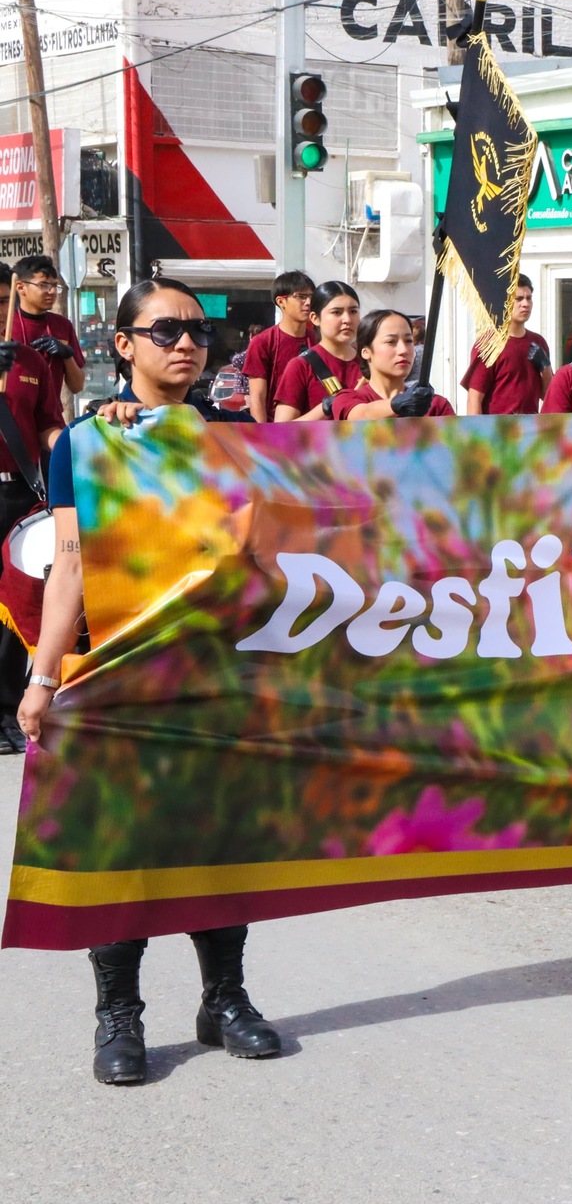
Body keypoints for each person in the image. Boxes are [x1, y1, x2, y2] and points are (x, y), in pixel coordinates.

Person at [19, 277, 280, 1085]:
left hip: (220, 667)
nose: (185, 344)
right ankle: (118, 1017)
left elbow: (313, 515)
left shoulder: (236, 434)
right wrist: (42, 677)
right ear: (122, 344)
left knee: (219, 841)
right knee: (122, 846)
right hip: (121, 670)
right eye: (164, 330)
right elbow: (68, 567)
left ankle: (225, 1001)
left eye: (199, 331)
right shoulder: (87, 446)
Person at [0, 304, 68, 755]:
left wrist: (81, 445)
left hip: (17, 492)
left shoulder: (27, 361)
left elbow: (48, 423)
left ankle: (7, 710)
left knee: (12, 605)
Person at [334, 309, 455, 420]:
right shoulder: (346, 399)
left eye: (408, 341)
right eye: (391, 342)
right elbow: (360, 416)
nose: (404, 350)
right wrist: (398, 404)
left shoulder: (435, 405)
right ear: (366, 352)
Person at [273, 280, 365, 421]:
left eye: (353, 311)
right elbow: (281, 430)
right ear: (315, 318)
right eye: (336, 312)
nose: (347, 319)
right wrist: (324, 408)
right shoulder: (301, 366)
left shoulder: (370, 363)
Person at [462, 274, 550, 415]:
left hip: (530, 430)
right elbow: (474, 399)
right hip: (497, 432)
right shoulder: (489, 343)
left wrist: (546, 368)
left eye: (529, 298)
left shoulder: (538, 342)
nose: (525, 304)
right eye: (518, 299)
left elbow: (549, 397)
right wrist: (476, 435)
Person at [242, 270, 316, 422]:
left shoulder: (318, 340)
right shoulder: (262, 342)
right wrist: (264, 435)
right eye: (301, 297)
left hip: (316, 428)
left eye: (311, 297)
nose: (308, 303)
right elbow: (257, 397)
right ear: (281, 302)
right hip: (278, 429)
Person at [8, 254, 84, 398]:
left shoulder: (63, 325)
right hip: (13, 414)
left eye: (55, 285)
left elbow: (77, 386)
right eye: (43, 285)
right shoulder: (6, 323)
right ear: (21, 287)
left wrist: (67, 355)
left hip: (50, 416)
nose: (52, 291)